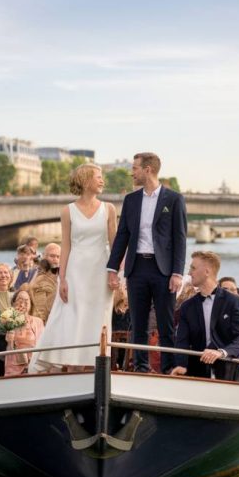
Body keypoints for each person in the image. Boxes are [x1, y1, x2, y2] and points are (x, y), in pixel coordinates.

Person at [29, 164, 116, 372]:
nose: (102, 180)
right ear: (86, 180)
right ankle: (74, 366)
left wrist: (116, 274)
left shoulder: (109, 209)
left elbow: (115, 245)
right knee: (73, 317)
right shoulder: (67, 211)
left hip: (100, 271)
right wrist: (63, 279)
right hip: (76, 270)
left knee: (98, 317)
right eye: (98, 177)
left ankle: (96, 367)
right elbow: (66, 246)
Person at [106, 152, 187, 373]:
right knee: (138, 324)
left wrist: (177, 273)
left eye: (135, 168)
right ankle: (141, 368)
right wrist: (112, 268)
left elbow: (179, 238)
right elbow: (122, 235)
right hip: (136, 268)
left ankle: (169, 368)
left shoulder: (174, 199)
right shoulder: (131, 200)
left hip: (163, 271)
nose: (132, 172)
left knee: (166, 324)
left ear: (148, 170)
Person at [171, 251, 239, 382]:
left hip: (229, 365)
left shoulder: (233, 301)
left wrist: (221, 352)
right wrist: (181, 366)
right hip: (198, 366)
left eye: (193, 268)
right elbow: (181, 342)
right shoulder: (187, 307)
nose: (189, 273)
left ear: (207, 272)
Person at [4, 290, 45, 376]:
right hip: (15, 367)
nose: (23, 303)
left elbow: (42, 346)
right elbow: (9, 349)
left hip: (34, 366)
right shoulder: (9, 321)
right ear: (14, 303)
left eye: (27, 301)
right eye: (20, 300)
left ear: (31, 304)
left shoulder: (38, 322)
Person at [29, 243, 61, 323]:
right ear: (44, 256)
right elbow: (40, 311)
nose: (55, 259)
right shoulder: (40, 279)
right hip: (46, 322)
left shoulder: (61, 275)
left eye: (58, 257)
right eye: (52, 256)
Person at [111, 282, 131, 370]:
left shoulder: (130, 310)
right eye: (125, 289)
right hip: (116, 345)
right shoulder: (113, 311)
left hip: (125, 345)